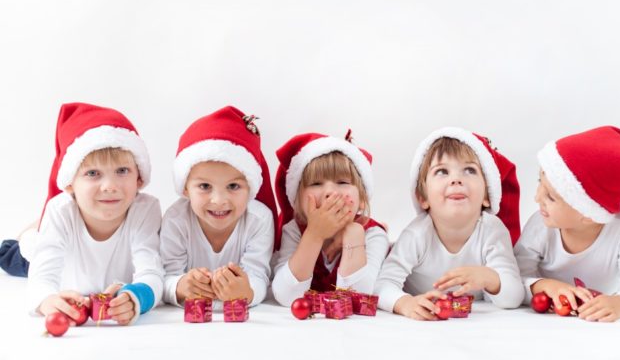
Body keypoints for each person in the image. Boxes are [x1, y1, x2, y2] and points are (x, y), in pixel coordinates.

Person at [27, 102, 163, 325]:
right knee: (19, 255)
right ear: (70, 183)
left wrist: (136, 296)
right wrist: (46, 299)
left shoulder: (145, 209)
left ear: (139, 178)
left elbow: (153, 271)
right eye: (93, 173)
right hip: (59, 257)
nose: (109, 186)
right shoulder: (61, 210)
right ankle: (30, 231)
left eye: (122, 171)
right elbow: (41, 275)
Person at [375, 127, 523, 320]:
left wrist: (490, 278)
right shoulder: (417, 234)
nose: (456, 179)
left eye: (469, 170)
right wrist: (405, 303)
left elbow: (514, 296)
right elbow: (382, 285)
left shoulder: (492, 230)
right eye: (442, 171)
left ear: (488, 195)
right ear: (422, 197)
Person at [514, 126, 620, 322]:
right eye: (540, 182)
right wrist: (543, 285)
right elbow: (512, 277)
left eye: (551, 197)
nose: (537, 198)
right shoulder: (540, 225)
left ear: (589, 214)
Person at [160, 106, 276, 309]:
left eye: (233, 186)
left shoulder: (259, 219)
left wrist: (247, 292)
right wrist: (180, 286)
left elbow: (259, 274)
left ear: (250, 187)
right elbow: (166, 274)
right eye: (205, 186)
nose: (219, 200)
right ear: (185, 188)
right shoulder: (176, 219)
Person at [271, 131, 389, 306]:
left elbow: (358, 300)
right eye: (316, 184)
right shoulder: (294, 231)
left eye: (342, 182)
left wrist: (353, 234)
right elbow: (286, 296)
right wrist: (314, 235)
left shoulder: (373, 234)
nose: (330, 192)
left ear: (362, 199)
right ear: (297, 201)